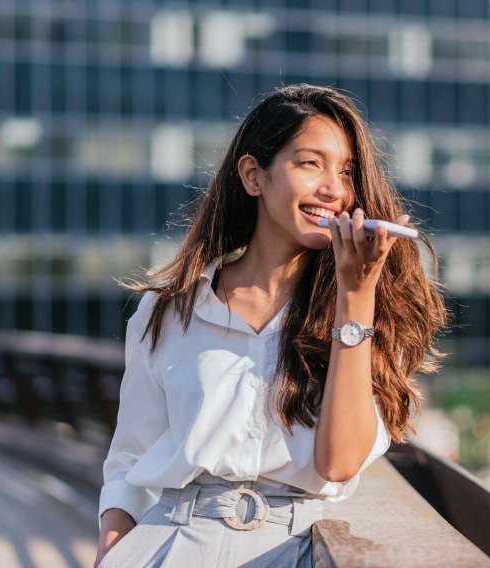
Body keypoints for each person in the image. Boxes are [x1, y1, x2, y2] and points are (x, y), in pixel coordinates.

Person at [94, 84, 446, 567]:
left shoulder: (370, 315)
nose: (334, 189)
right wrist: (111, 554)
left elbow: (338, 464)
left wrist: (356, 298)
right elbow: (130, 459)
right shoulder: (168, 312)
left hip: (295, 549)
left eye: (346, 172)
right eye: (310, 164)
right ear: (253, 175)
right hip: (170, 546)